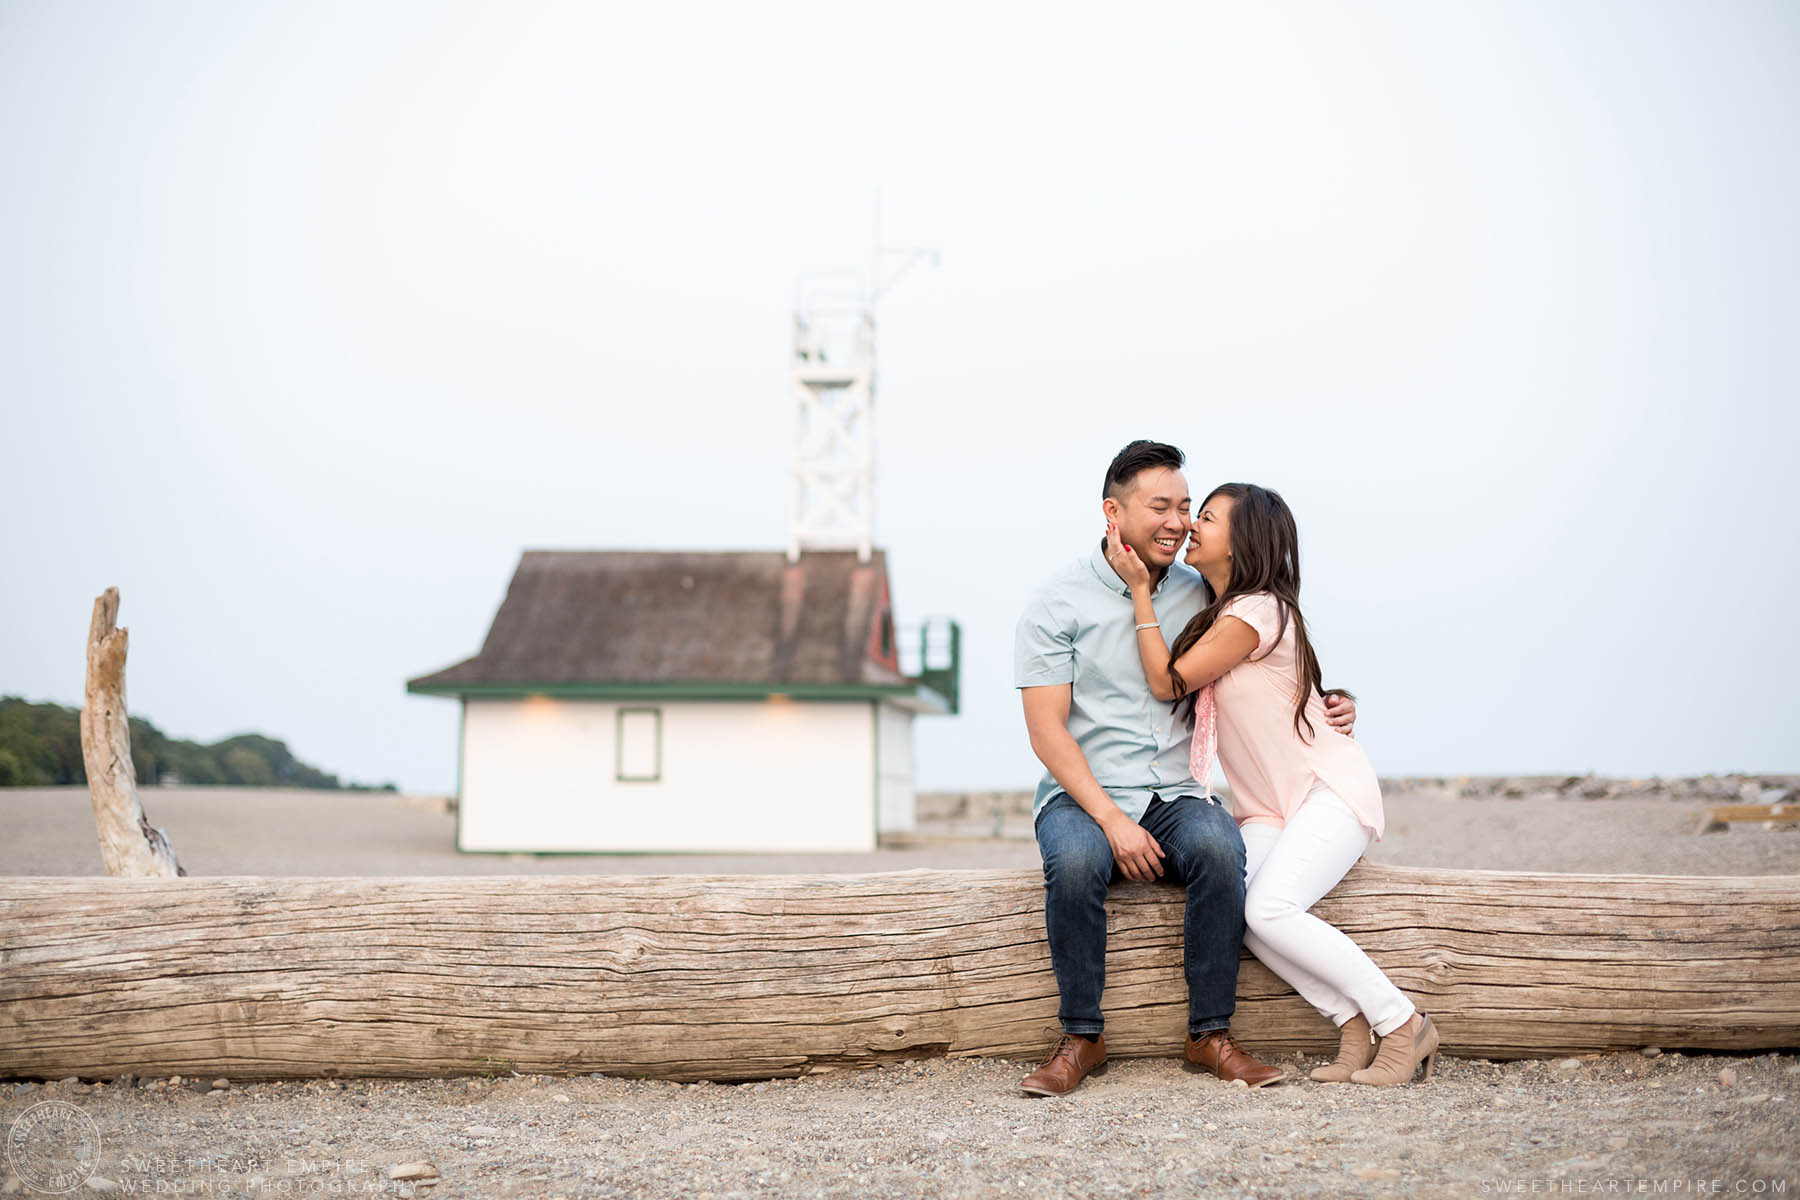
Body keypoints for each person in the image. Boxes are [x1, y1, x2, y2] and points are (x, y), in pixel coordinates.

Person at [1013, 442, 1358, 1096]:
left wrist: (1332, 702)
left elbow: (1266, 652)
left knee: (1222, 851)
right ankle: (1082, 1037)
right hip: (1084, 795)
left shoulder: (1203, 591)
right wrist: (1113, 822)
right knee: (1079, 862)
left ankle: (1211, 1036)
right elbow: (1046, 731)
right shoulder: (1056, 603)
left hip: (1175, 792)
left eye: (1186, 508)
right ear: (1113, 512)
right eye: (1160, 507)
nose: (1178, 522)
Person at [1106, 481, 1438, 1087]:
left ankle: (1401, 1021)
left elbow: (1168, 683)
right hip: (1267, 810)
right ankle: (1351, 1022)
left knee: (1272, 907)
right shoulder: (1224, 614)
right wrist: (1339, 699)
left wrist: (1138, 595)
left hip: (1326, 790)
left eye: (1206, 517)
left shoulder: (1255, 610)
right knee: (1241, 911)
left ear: (1241, 543)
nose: (1190, 527)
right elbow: (1293, 694)